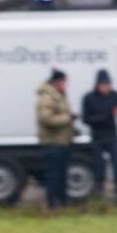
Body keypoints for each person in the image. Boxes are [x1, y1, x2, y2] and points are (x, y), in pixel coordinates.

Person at [80, 69, 117, 204]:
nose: (107, 88)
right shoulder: (88, 98)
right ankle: (99, 195)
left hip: (112, 137)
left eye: (108, 85)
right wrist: (106, 116)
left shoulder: (115, 96)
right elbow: (86, 119)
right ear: (97, 85)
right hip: (97, 138)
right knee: (99, 167)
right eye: (104, 85)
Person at [37, 68, 74, 211]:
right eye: (65, 82)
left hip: (62, 141)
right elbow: (46, 118)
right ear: (58, 82)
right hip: (53, 143)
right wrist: (68, 118)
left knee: (62, 175)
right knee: (53, 175)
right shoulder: (47, 97)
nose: (66, 85)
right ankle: (51, 204)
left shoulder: (59, 96)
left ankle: (62, 203)